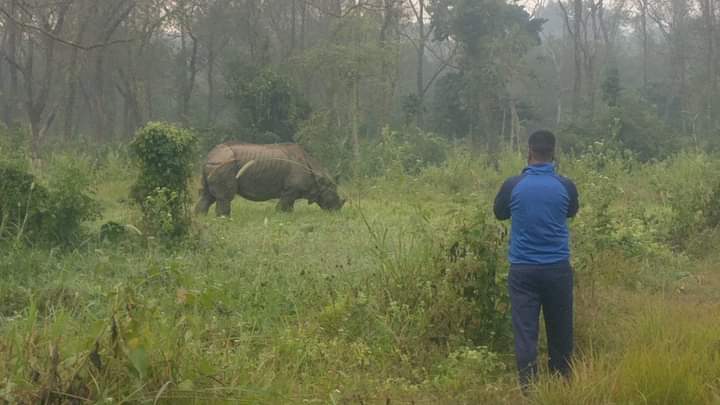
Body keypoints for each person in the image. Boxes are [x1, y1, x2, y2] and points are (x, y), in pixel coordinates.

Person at [493, 130, 579, 391]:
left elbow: (499, 213)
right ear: (553, 153)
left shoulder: (512, 185)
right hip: (557, 269)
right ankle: (561, 381)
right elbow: (571, 211)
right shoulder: (565, 185)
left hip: (523, 270)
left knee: (526, 330)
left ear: (529, 151)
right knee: (561, 327)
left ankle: (529, 388)